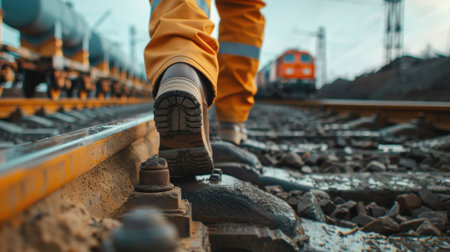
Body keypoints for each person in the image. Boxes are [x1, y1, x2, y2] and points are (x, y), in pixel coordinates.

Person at [144, 0, 265, 176]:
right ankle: (232, 122)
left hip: (176, 59)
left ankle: (182, 66)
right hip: (237, 91)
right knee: (243, 8)